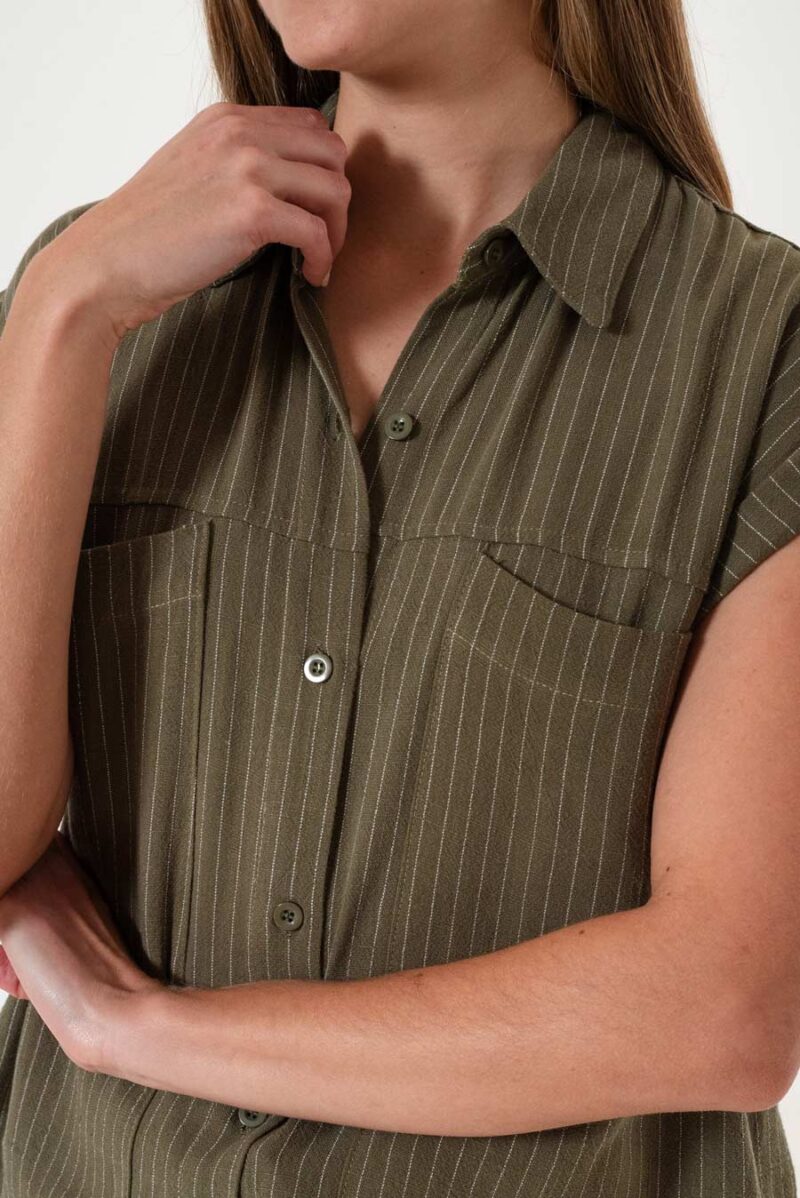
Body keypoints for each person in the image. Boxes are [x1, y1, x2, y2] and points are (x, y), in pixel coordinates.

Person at [0, 0, 799, 1194]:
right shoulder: (92, 300)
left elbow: (722, 1004)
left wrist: (138, 1028)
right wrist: (64, 308)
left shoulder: (761, 348)